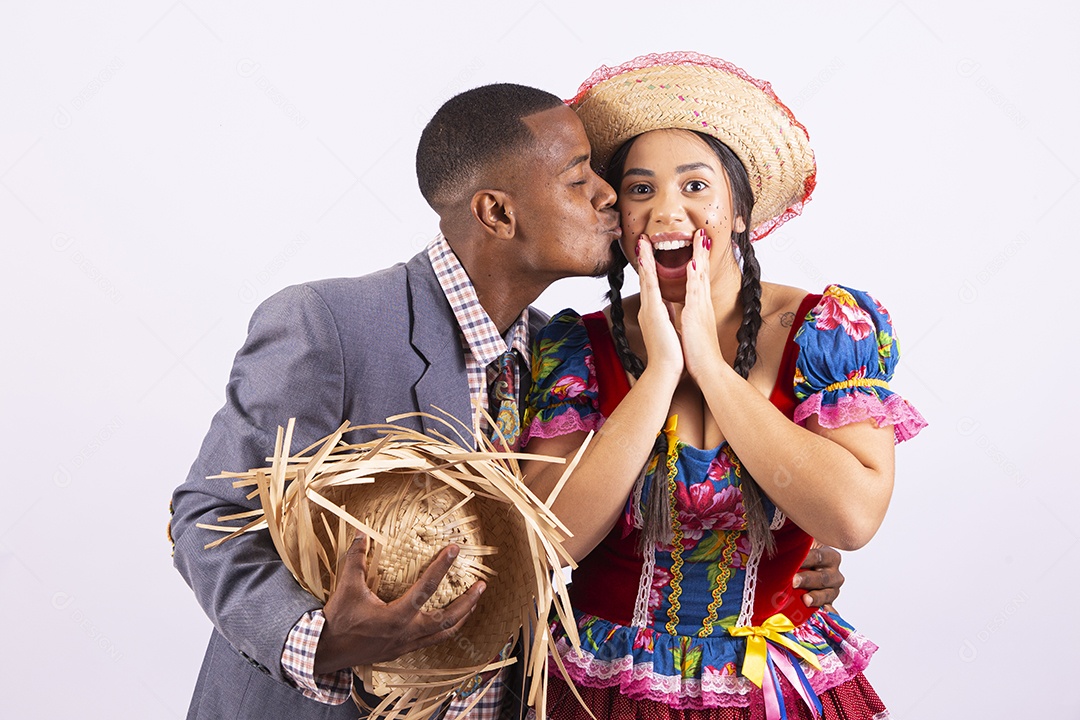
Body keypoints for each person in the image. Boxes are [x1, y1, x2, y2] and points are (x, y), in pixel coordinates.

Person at [170, 81, 846, 720]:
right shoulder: (331, 324)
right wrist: (318, 641)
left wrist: (766, 557)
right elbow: (209, 514)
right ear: (497, 212)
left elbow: (558, 537)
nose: (610, 196)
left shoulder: (562, 355)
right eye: (580, 179)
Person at [519, 52, 927, 720]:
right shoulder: (576, 348)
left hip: (776, 685)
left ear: (740, 211)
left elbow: (851, 519)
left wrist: (709, 364)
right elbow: (550, 539)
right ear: (619, 215)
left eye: (695, 186)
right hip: (605, 685)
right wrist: (661, 374)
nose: (666, 211)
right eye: (640, 190)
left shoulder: (823, 329)